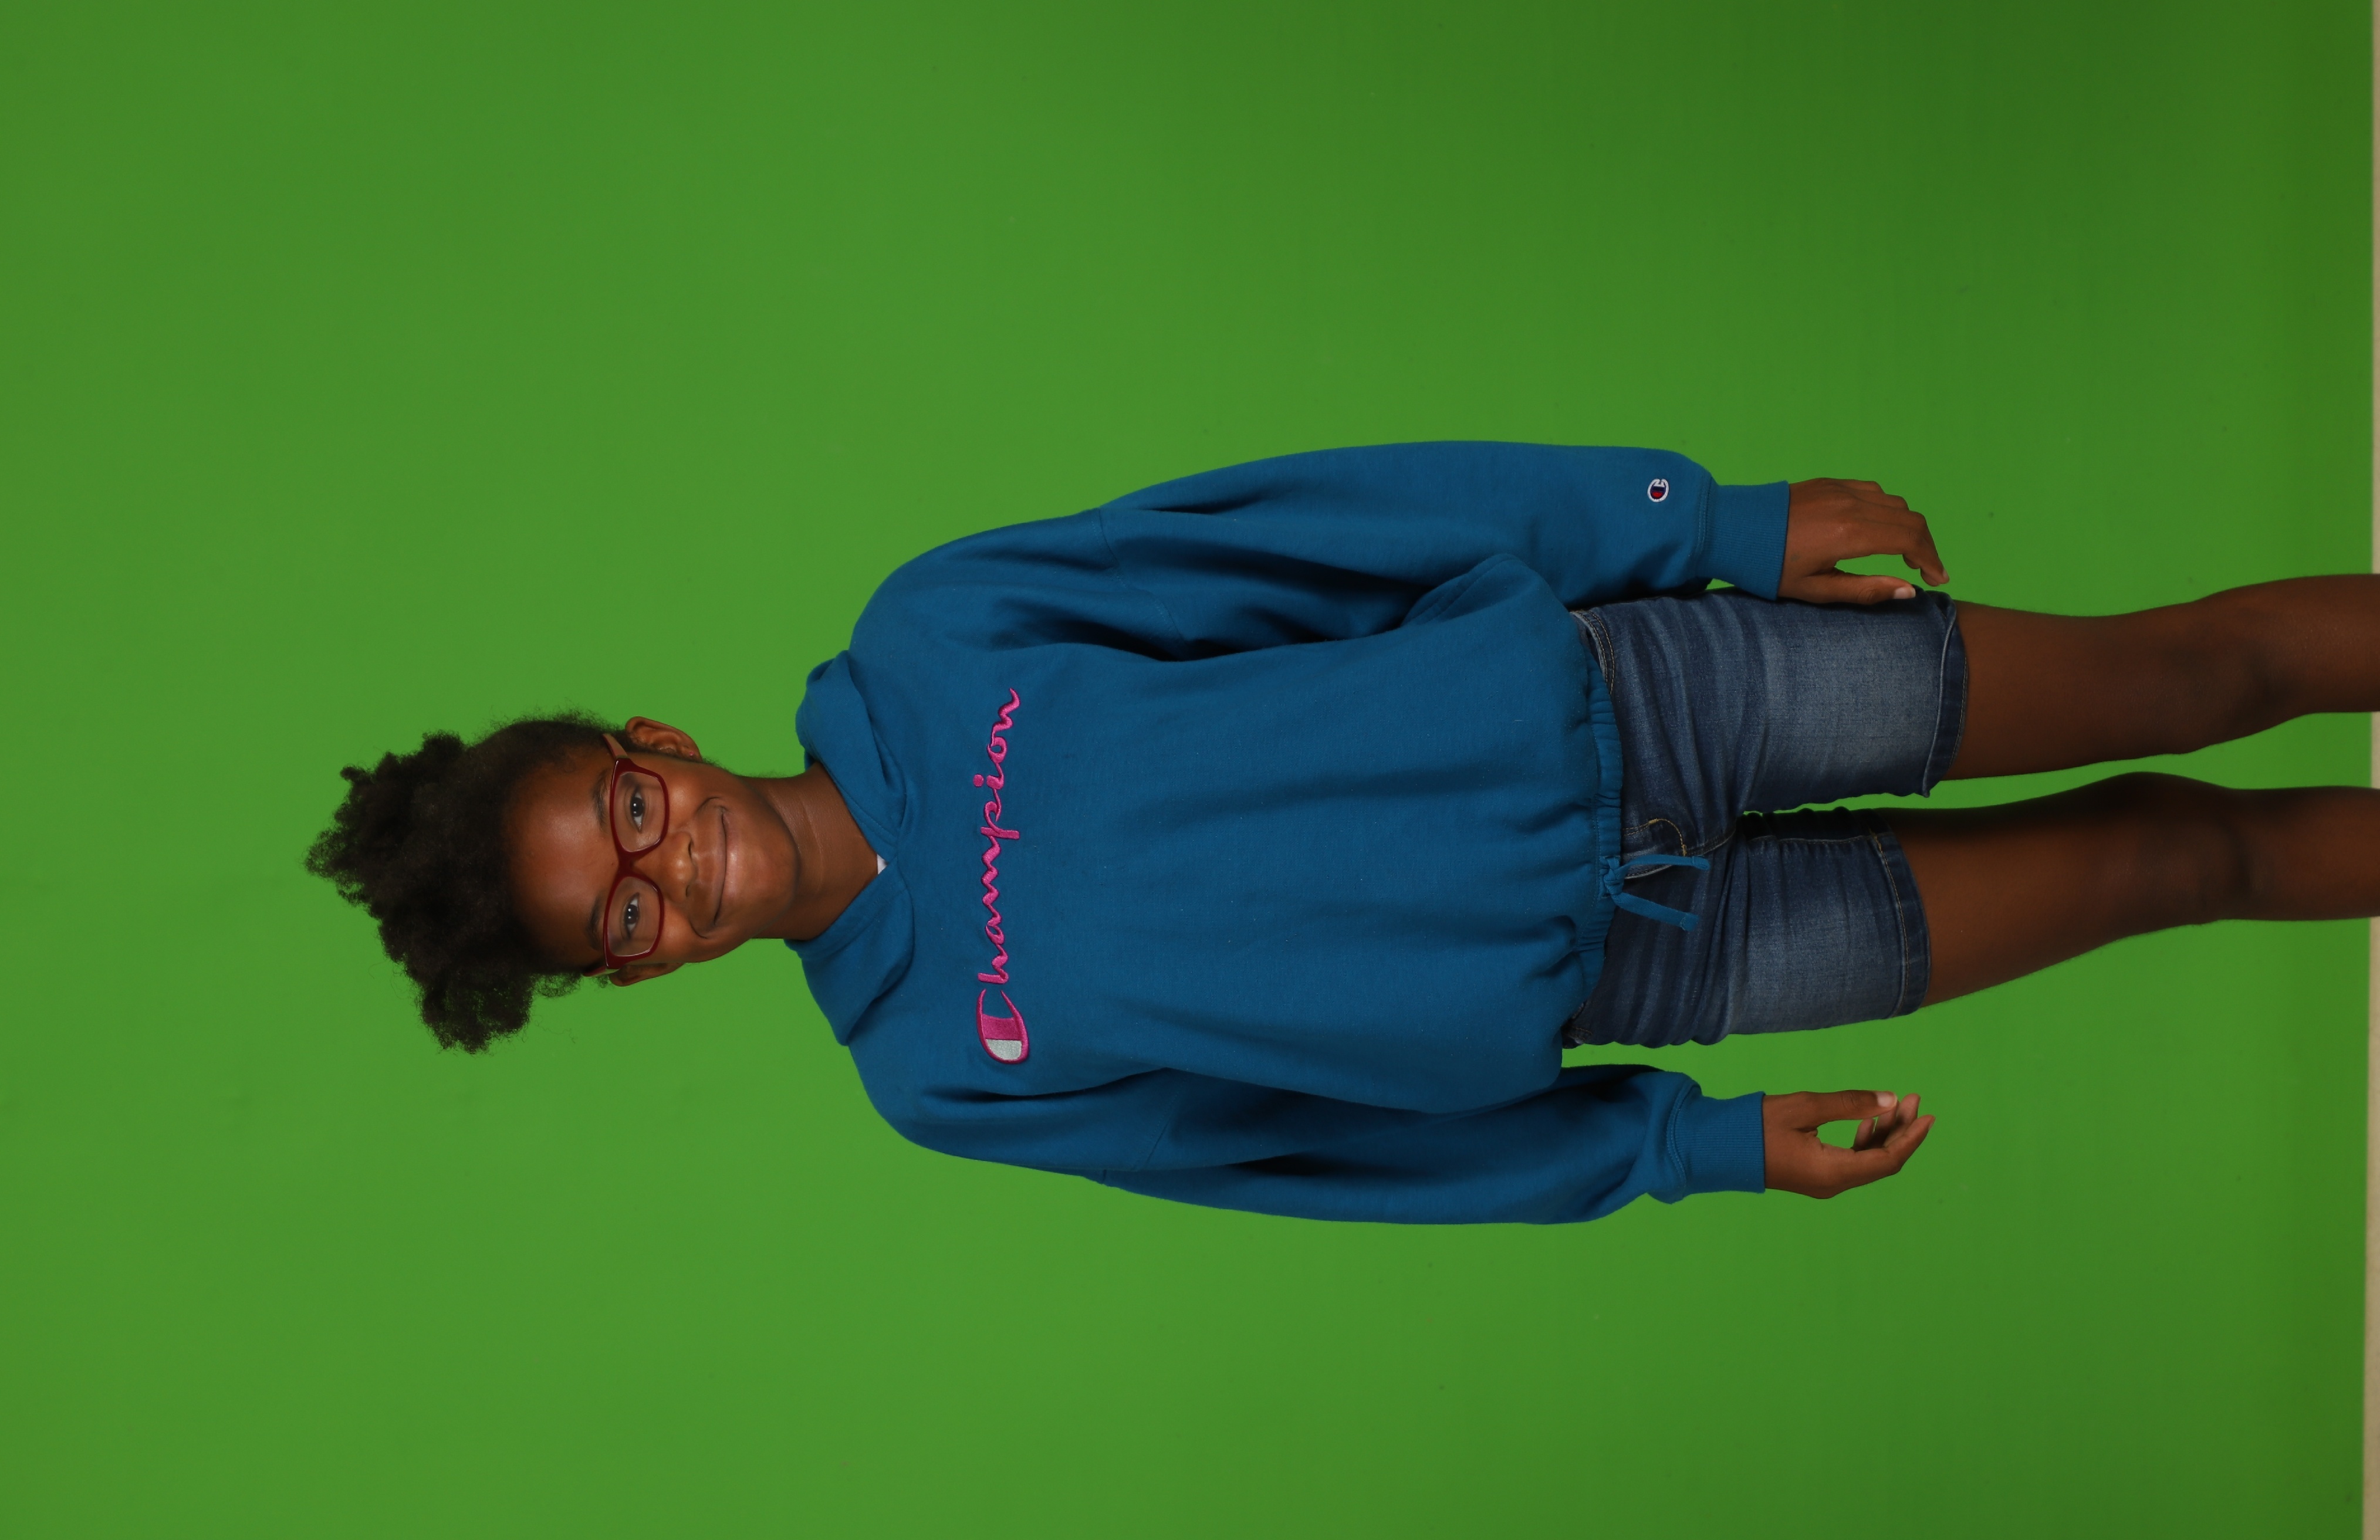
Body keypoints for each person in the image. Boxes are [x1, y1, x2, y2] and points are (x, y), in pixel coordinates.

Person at [308, 443, 2380, 1223]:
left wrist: (1709, 525)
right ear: (639, 973)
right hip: (1661, 967)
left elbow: (1315, 530)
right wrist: (1680, 1146)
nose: (670, 871)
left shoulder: (936, 641)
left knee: (2180, 677)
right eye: (625, 919)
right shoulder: (936, 1076)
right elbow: (1311, 1159)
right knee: (2166, 869)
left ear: (655, 743)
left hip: (1653, 690)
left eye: (632, 814)